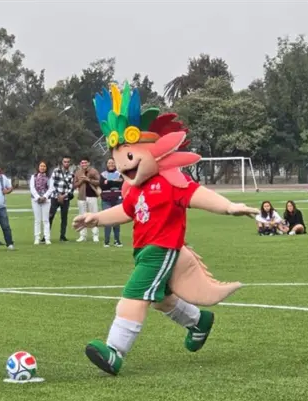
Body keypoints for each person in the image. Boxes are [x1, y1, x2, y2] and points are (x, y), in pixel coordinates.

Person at [74, 82, 259, 375]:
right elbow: (125, 212)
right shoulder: (135, 189)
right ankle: (199, 321)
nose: (124, 166)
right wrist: (96, 218)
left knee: (134, 294)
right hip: (142, 250)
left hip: (161, 250)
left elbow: (199, 195)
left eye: (130, 157)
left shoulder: (170, 182)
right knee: (160, 299)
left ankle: (114, 351)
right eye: (120, 159)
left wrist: (229, 206)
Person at [73, 156, 101, 243]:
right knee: (82, 217)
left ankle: (95, 235)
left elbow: (99, 182)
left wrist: (88, 179)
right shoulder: (78, 172)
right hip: (82, 197)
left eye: (85, 162)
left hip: (92, 196)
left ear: (88, 163)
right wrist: (81, 181)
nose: (84, 164)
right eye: (82, 163)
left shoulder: (93, 171)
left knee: (94, 216)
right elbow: (74, 184)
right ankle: (82, 235)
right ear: (80, 164)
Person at [48, 156, 74, 242]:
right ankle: (46, 235)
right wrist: (58, 195)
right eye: (65, 161)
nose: (66, 163)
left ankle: (62, 236)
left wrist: (64, 196)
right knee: (50, 216)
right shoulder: (56, 171)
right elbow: (52, 183)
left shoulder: (71, 174)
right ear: (62, 162)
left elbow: (71, 187)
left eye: (68, 162)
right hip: (55, 197)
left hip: (65, 199)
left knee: (64, 217)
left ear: (69, 163)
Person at [100, 157, 124, 247]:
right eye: (109, 163)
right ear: (106, 164)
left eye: (113, 163)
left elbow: (121, 184)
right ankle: (106, 241)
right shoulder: (103, 174)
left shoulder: (120, 173)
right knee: (107, 221)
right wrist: (114, 182)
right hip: (106, 200)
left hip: (117, 199)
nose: (111, 164)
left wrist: (109, 182)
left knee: (117, 221)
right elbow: (102, 185)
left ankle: (117, 240)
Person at [29, 161, 54, 245]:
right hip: (35, 200)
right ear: (38, 167)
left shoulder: (49, 177)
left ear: (46, 168)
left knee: (46, 220)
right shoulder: (34, 176)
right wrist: (38, 197)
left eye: (44, 166)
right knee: (37, 220)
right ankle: (37, 238)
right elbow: (32, 188)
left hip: (46, 200)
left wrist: (45, 197)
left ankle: (47, 238)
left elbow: (51, 188)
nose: (42, 168)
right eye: (41, 166)